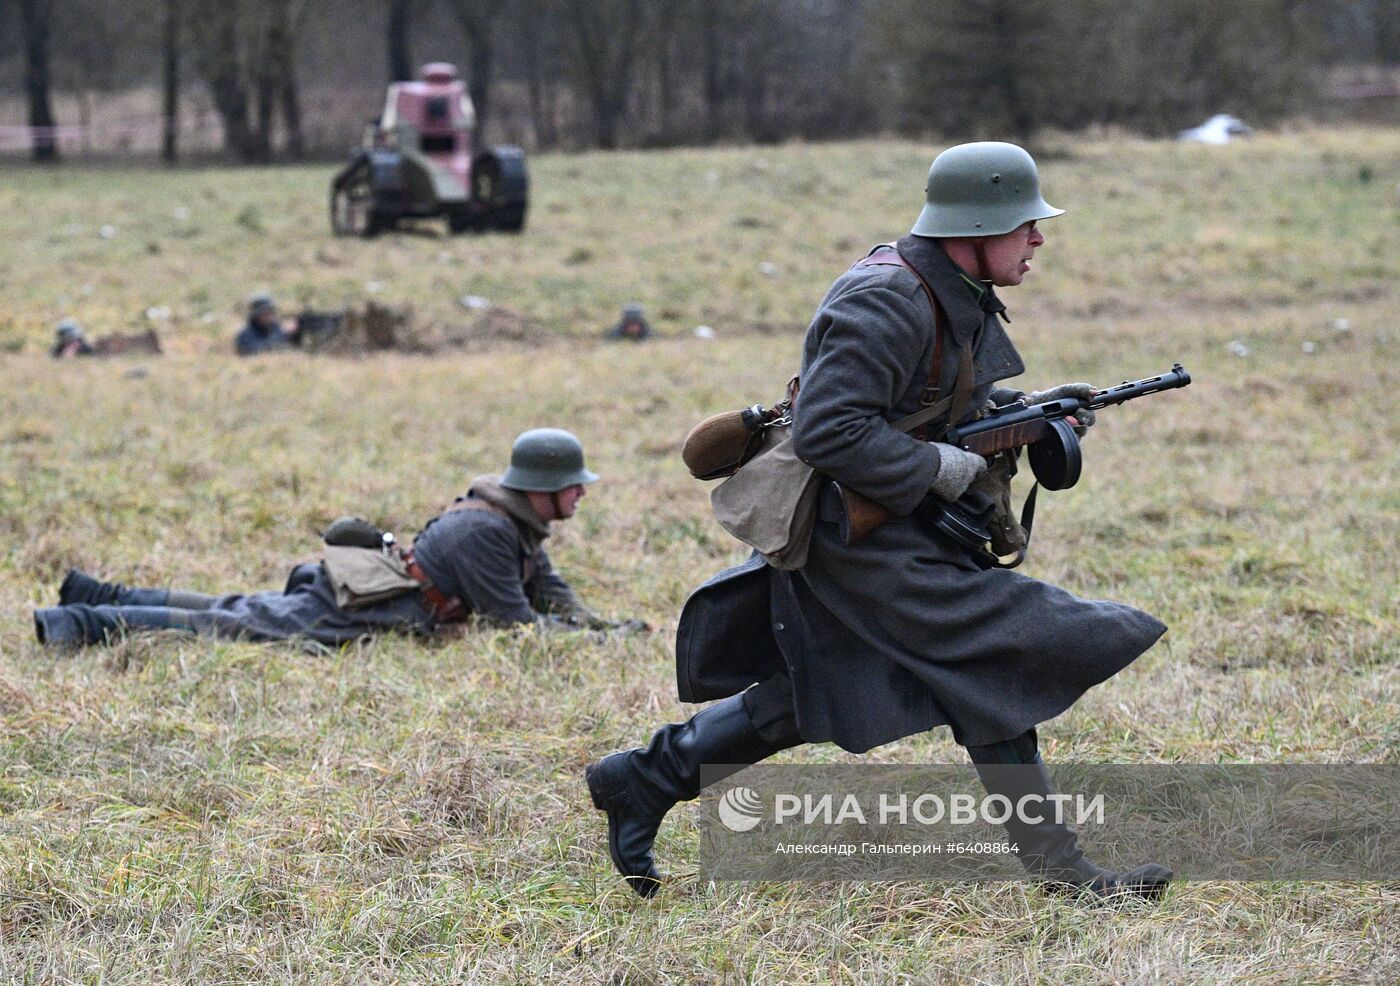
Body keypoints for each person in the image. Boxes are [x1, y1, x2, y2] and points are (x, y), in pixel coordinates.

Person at [585, 142, 1173, 902]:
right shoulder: (888, 297)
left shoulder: (948, 283)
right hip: (850, 528)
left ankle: (645, 778)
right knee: (992, 651)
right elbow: (832, 431)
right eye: (1025, 223)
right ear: (977, 225)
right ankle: (1065, 876)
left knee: (847, 683)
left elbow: (923, 405)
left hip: (884, 523)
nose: (1038, 239)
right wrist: (941, 469)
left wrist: (1027, 415)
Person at [34, 429, 636, 648]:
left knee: (229, 610)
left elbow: (554, 598)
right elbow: (517, 623)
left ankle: (96, 592)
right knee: (226, 626)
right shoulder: (487, 532)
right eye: (573, 486)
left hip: (366, 594)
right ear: (542, 487)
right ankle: (80, 622)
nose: (581, 494)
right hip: (360, 608)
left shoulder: (517, 526)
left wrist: (606, 629)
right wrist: (593, 646)